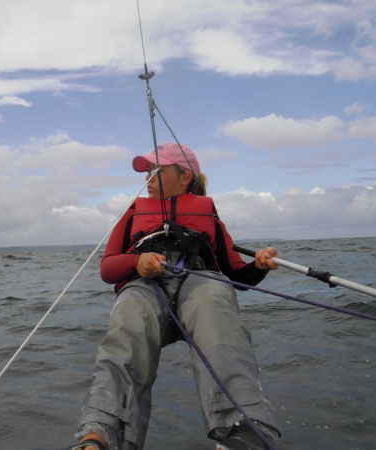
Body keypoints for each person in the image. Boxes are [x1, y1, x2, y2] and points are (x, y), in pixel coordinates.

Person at [69, 143, 280, 450]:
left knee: (214, 302)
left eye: (157, 171)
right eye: (146, 172)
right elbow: (108, 268)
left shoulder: (208, 214)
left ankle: (244, 429)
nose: (148, 178)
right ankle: (100, 434)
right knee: (128, 318)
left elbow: (236, 276)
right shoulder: (131, 214)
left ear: (184, 178)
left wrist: (259, 265)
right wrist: (136, 262)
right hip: (146, 287)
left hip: (201, 283)